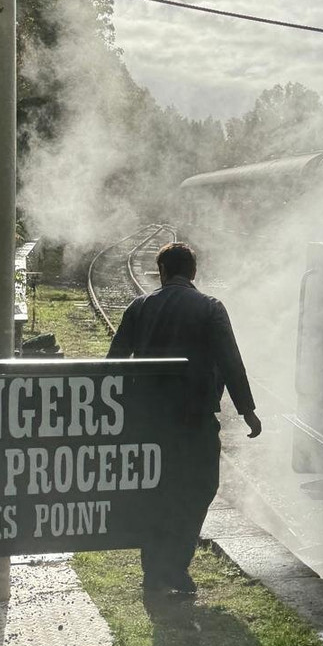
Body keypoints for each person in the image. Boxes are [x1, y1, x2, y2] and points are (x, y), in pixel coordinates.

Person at [107, 241, 262, 594]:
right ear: (193, 272)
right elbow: (230, 361)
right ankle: (176, 566)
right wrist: (247, 410)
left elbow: (113, 362)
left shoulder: (139, 307)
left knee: (154, 491)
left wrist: (117, 412)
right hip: (194, 420)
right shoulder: (210, 308)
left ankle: (154, 571)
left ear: (162, 271)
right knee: (199, 488)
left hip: (147, 421)